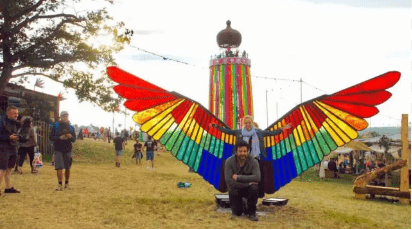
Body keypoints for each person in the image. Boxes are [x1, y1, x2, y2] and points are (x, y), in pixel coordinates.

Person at [212, 115, 292, 197]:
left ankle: (256, 194)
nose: (248, 124)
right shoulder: (239, 132)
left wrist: (283, 128)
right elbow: (227, 131)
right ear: (244, 124)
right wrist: (216, 126)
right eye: (246, 123)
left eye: (249, 122)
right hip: (242, 159)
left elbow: (271, 133)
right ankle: (239, 195)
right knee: (241, 177)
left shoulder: (259, 132)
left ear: (252, 123)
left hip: (255, 157)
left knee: (257, 176)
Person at [224, 140, 260, 221]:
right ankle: (243, 203)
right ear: (236, 151)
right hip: (235, 190)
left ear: (248, 151)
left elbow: (257, 177)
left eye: (244, 151)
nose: (242, 153)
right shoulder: (229, 162)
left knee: (254, 187)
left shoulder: (254, 161)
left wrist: (238, 178)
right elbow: (229, 181)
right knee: (237, 213)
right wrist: (248, 183)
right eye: (240, 151)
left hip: (249, 190)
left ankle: (252, 213)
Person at [51, 111, 76, 191]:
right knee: (59, 167)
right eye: (63, 116)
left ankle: (67, 183)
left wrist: (70, 136)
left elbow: (74, 139)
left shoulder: (71, 127)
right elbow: (51, 137)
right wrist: (59, 138)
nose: (65, 118)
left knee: (68, 167)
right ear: (60, 117)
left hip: (68, 149)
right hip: (58, 148)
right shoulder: (56, 126)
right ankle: (59, 184)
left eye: (66, 116)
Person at [0, 106, 22, 194]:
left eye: (17, 113)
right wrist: (8, 137)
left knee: (9, 168)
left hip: (13, 147)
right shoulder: (2, 121)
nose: (16, 115)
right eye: (14, 113)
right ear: (8, 113)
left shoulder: (16, 123)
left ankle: (8, 188)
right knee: (2, 168)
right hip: (3, 147)